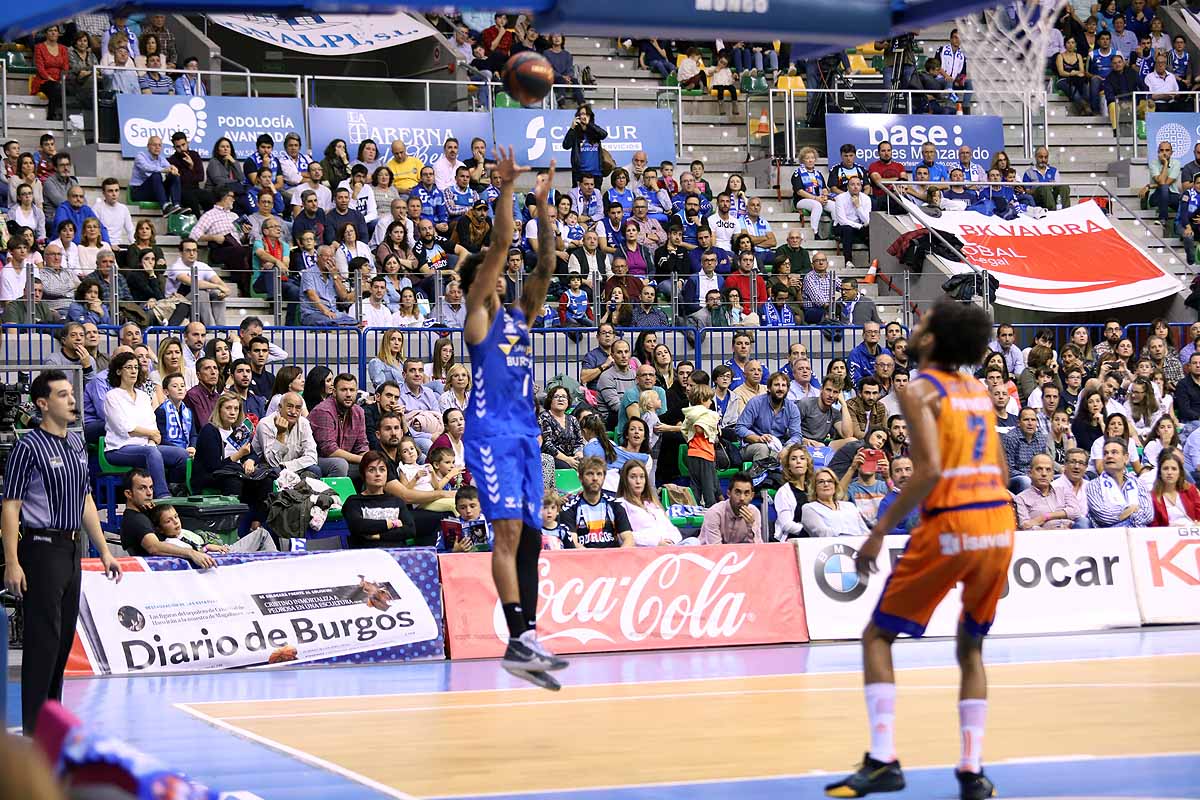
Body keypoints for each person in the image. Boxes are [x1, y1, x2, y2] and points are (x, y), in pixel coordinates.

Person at [825, 299, 1014, 800]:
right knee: (971, 646)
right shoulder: (978, 390)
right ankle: (972, 772)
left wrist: (878, 529)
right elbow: (1003, 473)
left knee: (876, 637)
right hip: (998, 521)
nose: (917, 326)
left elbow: (927, 469)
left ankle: (883, 759)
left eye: (924, 322)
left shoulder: (919, 389)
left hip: (952, 522)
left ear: (932, 340)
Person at [457, 146, 567, 688]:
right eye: (492, 276)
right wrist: (506, 190)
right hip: (490, 434)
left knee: (530, 537)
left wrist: (543, 208)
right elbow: (500, 245)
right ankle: (517, 638)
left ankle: (525, 638)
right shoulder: (477, 317)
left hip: (525, 434)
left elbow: (546, 264)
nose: (500, 278)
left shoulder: (522, 318)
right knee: (504, 532)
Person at [3, 370, 122, 735]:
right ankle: (34, 730)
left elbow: (86, 499)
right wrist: (12, 562)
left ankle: (52, 724)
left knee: (63, 640)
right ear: (42, 403)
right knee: (43, 641)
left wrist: (103, 550)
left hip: (72, 549)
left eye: (72, 394)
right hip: (40, 549)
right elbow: (10, 506)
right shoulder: (28, 447)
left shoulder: (74, 443)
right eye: (63, 395)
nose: (72, 401)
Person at [103, 351, 188, 499]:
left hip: (145, 445)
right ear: (118, 371)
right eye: (128, 367)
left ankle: (176, 492)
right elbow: (125, 428)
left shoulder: (143, 396)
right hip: (119, 448)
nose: (133, 371)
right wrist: (150, 435)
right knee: (151, 453)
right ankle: (163, 496)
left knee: (182, 455)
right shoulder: (112, 396)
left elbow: (152, 424)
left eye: (135, 367)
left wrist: (151, 440)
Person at [310, 372, 368, 479]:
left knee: (375, 467)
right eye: (343, 390)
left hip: (345, 460)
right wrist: (363, 460)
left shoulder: (359, 412)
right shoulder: (323, 411)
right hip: (317, 460)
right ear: (334, 392)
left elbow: (361, 445)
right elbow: (329, 450)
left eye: (352, 390)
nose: (348, 394)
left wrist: (369, 460)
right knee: (340, 465)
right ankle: (332, 495)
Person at [1086, 437, 1153, 528]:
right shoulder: (1093, 486)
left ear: (1126, 458)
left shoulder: (1138, 484)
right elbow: (1104, 516)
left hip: (1137, 536)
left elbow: (1148, 514)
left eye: (1114, 452)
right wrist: (1131, 509)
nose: (1109, 456)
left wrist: (1123, 515)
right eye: (1106, 453)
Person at [1014, 453, 1083, 530]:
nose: (1044, 474)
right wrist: (1051, 533)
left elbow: (1076, 512)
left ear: (1053, 475)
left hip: (1071, 532)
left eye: (1048, 470)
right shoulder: (1021, 498)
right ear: (1030, 473)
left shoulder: (1063, 491)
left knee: (1083, 522)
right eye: (1039, 469)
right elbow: (1025, 525)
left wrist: (1045, 517)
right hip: (1044, 537)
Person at [698, 472, 760, 544]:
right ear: (729, 493)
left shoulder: (754, 513)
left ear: (752, 496)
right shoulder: (714, 513)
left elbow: (757, 549)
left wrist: (750, 527)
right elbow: (715, 549)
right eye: (737, 493)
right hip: (708, 553)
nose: (742, 498)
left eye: (746, 493)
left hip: (740, 554)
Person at [130, 136, 183, 216]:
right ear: (148, 146)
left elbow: (169, 167)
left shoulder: (161, 158)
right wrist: (163, 170)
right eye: (154, 145)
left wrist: (173, 169)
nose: (157, 147)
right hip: (139, 191)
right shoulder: (140, 156)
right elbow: (146, 168)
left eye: (159, 145)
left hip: (155, 192)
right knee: (156, 175)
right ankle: (165, 207)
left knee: (174, 176)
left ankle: (176, 205)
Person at [1150, 447, 1200, 526]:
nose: (1169, 472)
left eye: (1174, 469)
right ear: (1160, 472)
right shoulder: (1153, 497)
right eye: (1165, 469)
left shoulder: (1190, 490)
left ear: (1180, 472)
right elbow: (1154, 525)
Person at [561, 104, 607, 187]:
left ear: (590, 117)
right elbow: (566, 145)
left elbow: (604, 134)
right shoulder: (574, 133)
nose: (584, 116)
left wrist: (589, 124)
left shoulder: (595, 132)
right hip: (580, 174)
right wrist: (572, 128)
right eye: (582, 114)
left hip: (596, 174)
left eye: (587, 114)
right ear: (578, 117)